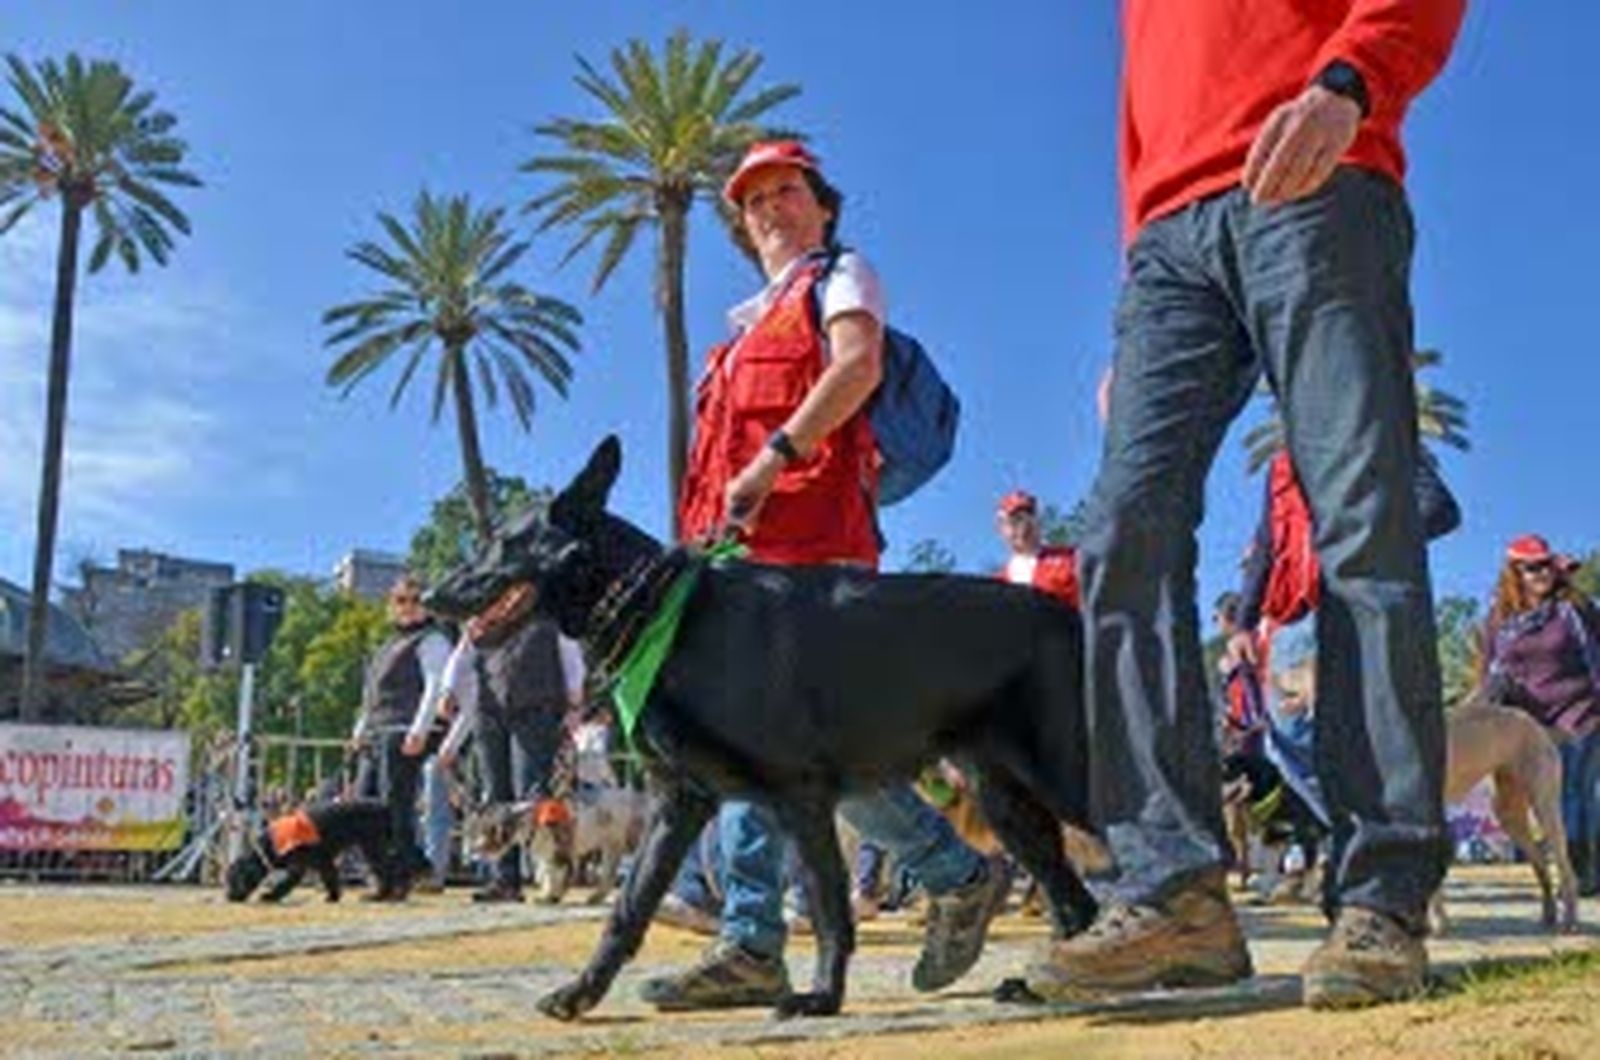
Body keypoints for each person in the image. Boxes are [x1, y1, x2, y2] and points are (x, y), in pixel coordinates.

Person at [1033, 1, 1467, 1009]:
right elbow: (1147, 102)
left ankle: (1382, 895)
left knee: (1359, 522)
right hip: (1168, 247)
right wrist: (1142, 289)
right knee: (1118, 531)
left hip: (1315, 178)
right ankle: (1173, 891)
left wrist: (1348, 84)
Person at [645, 140, 1007, 1011]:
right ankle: (766, 938)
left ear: (824, 206)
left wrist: (776, 455)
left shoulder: (841, 278)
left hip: (815, 554)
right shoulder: (733, 339)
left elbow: (857, 368)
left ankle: (916, 887)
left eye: (787, 191)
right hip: (738, 570)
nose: (770, 207)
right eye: (755, 198)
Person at [407, 581, 586, 902]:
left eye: (517, 590)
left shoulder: (548, 618)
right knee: (495, 796)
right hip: (489, 713)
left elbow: (570, 654)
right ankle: (506, 881)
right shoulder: (481, 620)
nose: (510, 597)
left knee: (531, 796)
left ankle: (550, 875)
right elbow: (461, 657)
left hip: (536, 709)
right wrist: (449, 691)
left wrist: (575, 700)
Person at [1482, 535, 1600, 896]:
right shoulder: (1499, 621)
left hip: (1582, 710)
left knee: (1575, 791)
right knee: (1553, 798)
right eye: (1532, 567)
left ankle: (1583, 871)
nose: (1542, 573)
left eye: (1547, 565)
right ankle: (1579, 866)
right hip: (1533, 723)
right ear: (1514, 572)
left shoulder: (1573, 607)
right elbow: (1489, 672)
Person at [351, 574, 452, 897]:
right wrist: (359, 729)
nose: (407, 607)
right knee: (363, 805)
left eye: (415, 599)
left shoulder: (432, 639)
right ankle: (392, 872)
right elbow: (371, 694)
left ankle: (401, 875)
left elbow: (435, 686)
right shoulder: (387, 645)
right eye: (400, 600)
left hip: (404, 730)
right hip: (379, 731)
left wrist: (420, 729)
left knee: (394, 804)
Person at [995, 489, 1080, 608]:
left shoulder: (1069, 561)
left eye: (1024, 519)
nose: (1022, 528)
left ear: (1037, 521)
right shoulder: (999, 584)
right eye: (1012, 522)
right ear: (1001, 529)